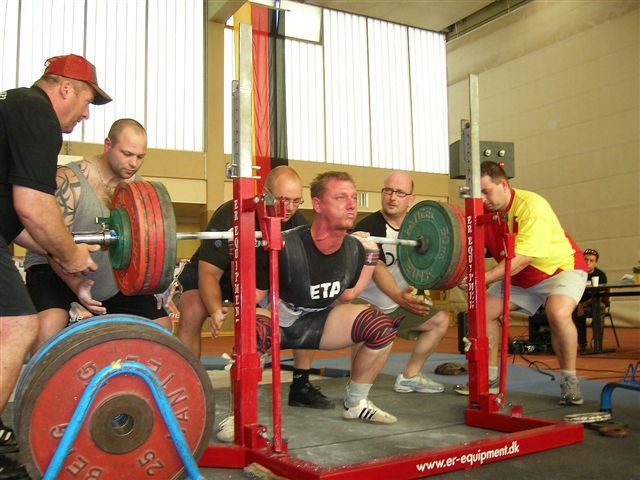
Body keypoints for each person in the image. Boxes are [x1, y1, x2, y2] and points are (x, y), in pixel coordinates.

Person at [0, 53, 110, 478]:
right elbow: (34, 207)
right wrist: (73, 253)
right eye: (85, 101)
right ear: (65, 88)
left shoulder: (13, 107)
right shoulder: (37, 112)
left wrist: (68, 271)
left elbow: (24, 229)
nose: (85, 114)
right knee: (17, 325)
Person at [175, 167, 332, 435]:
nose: (291, 208)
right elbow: (209, 273)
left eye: (296, 201)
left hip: (256, 281)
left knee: (306, 308)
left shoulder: (298, 222)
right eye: (284, 200)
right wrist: (215, 310)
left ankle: (301, 384)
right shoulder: (232, 213)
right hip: (217, 275)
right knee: (191, 311)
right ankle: (184, 389)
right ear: (266, 194)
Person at [253, 170, 401, 428]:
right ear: (318, 205)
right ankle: (241, 416)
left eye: (354, 197)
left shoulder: (354, 249)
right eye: (341, 197)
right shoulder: (285, 245)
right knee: (252, 331)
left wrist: (370, 258)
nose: (352, 204)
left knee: (379, 326)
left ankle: (356, 403)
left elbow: (348, 296)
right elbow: (252, 298)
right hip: (278, 322)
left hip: (317, 324)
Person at [24, 119, 171, 352]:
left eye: (140, 157)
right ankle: (39, 387)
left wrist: (158, 280)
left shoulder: (137, 190)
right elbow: (51, 241)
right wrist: (75, 285)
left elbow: (149, 244)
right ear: (107, 145)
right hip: (53, 267)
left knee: (161, 328)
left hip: (108, 277)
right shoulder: (70, 180)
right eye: (127, 154)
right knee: (48, 327)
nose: (134, 163)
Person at [456, 161, 588, 405]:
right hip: (520, 277)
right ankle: (490, 379)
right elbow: (465, 247)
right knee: (481, 313)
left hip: (559, 269)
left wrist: (479, 280)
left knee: (557, 312)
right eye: (477, 193)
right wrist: (456, 272)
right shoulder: (482, 211)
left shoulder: (532, 206)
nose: (482, 199)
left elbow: (521, 258)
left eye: (486, 191)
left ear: (504, 184)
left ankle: (570, 380)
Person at [354, 171, 449, 394]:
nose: (392, 197)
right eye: (387, 190)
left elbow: (425, 265)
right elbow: (377, 269)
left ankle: (410, 376)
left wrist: (420, 292)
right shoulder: (371, 227)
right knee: (366, 324)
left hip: (397, 302)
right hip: (366, 301)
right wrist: (399, 297)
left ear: (410, 199)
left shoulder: (420, 229)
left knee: (440, 321)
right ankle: (356, 387)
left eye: (399, 192)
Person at [573, 248, 608, 353]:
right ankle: (582, 343)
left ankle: (597, 341)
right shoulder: (576, 274)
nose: (588, 263)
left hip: (594, 303)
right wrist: (578, 304)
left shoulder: (601, 275)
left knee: (600, 308)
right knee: (575, 311)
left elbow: (600, 295)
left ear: (596, 262)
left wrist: (583, 304)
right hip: (579, 304)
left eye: (591, 260)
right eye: (585, 260)